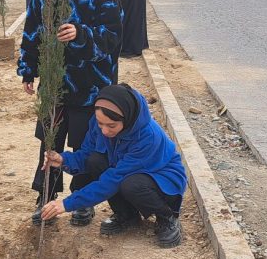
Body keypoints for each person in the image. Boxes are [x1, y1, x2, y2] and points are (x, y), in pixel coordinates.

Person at [18, 0, 123, 228]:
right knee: (49, 138)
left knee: (83, 144)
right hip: (55, 80)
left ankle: (83, 199)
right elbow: (32, 28)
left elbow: (114, 33)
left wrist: (81, 34)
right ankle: (46, 196)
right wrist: (28, 69)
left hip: (91, 82)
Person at [40, 84, 186, 248]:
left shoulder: (148, 136)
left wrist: (67, 204)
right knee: (95, 161)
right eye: (100, 124)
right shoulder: (100, 122)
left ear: (127, 118)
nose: (104, 131)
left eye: (111, 126)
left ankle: (167, 218)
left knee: (132, 185)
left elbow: (113, 180)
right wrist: (64, 160)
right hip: (126, 173)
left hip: (162, 179)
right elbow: (87, 153)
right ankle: (127, 215)